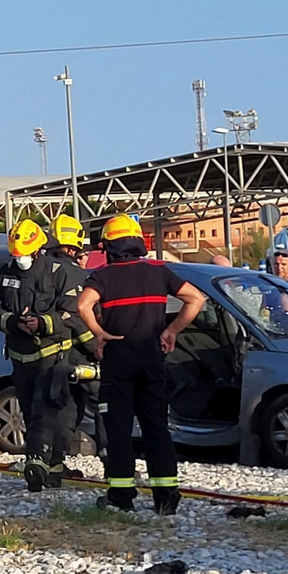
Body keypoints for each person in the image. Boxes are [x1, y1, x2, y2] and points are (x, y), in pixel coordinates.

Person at [77, 215, 207, 515]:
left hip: (118, 363)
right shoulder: (160, 272)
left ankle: (121, 497)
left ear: (109, 246)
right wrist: (171, 330)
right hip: (152, 362)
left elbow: (83, 305)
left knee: (119, 429)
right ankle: (166, 496)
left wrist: (99, 334)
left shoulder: (103, 275)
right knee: (156, 427)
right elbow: (195, 299)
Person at [0, 220, 70, 492]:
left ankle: (37, 463)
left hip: (51, 355)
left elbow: (72, 313)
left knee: (45, 409)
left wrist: (43, 323)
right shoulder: (3, 274)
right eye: (15, 254)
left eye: (22, 253)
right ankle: (52, 467)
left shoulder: (58, 273)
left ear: (37, 250)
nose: (18, 258)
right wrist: (11, 321)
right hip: (20, 357)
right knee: (30, 411)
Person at [47, 215, 101, 466]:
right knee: (101, 404)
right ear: (73, 246)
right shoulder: (74, 274)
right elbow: (77, 316)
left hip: (46, 356)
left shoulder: (40, 268)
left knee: (58, 410)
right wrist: (95, 346)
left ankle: (51, 463)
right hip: (77, 353)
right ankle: (113, 464)